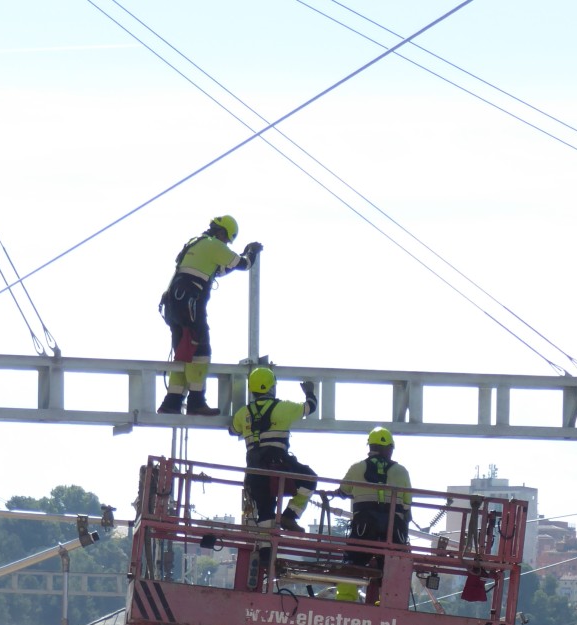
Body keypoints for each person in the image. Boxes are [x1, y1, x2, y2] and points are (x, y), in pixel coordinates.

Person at [157, 215, 261, 417]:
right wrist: (251, 252)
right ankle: (196, 402)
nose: (226, 244)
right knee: (201, 351)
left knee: (183, 354)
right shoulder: (215, 245)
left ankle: (171, 402)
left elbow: (220, 270)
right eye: (227, 240)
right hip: (189, 303)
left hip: (174, 304)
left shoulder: (196, 243)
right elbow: (242, 264)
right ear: (223, 233)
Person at [231, 366, 318, 529]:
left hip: (254, 469)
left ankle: (266, 551)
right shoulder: (283, 408)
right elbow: (310, 407)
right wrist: (309, 392)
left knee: (265, 511)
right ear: (272, 387)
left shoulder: (242, 413)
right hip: (280, 463)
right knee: (310, 479)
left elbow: (233, 430)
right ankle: (290, 515)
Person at [336, 427, 412, 600]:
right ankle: (387, 606)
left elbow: (343, 490)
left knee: (351, 563)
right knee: (392, 569)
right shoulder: (401, 471)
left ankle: (345, 602)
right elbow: (407, 503)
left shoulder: (357, 468)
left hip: (364, 529)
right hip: (394, 531)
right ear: (390, 448)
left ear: (370, 447)